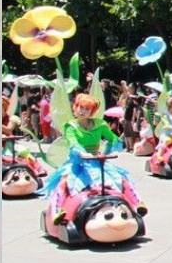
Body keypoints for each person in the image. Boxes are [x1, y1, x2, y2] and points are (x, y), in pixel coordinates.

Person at [42, 91, 146, 232]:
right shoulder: (70, 126)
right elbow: (73, 144)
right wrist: (83, 153)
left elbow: (112, 138)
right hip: (77, 161)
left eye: (87, 109)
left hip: (97, 160)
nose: (83, 111)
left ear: (92, 111)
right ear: (76, 108)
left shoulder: (100, 124)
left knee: (120, 178)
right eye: (80, 107)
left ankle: (138, 204)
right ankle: (57, 213)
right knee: (65, 182)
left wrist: (105, 152)